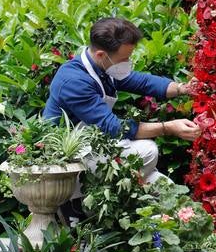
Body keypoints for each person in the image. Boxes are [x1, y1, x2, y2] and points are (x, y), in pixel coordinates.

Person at [43, 17, 201, 187]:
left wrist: (182, 88)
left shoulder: (104, 67)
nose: (127, 63)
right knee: (147, 151)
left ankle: (134, 191)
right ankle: (79, 203)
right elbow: (113, 127)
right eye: (124, 58)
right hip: (68, 160)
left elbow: (143, 82)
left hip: (96, 144)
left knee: (166, 189)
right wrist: (167, 128)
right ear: (101, 55)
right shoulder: (74, 81)